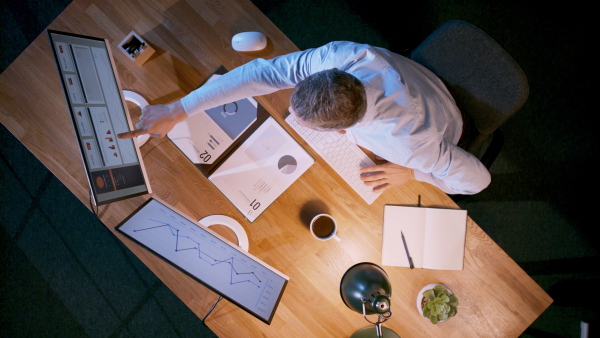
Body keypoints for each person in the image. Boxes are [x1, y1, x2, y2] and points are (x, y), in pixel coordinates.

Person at [118, 41, 491, 195]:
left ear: (346, 130)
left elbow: (477, 181)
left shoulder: (412, 146)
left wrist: (413, 173)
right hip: (415, 81)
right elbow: (262, 74)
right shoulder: (340, 56)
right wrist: (177, 109)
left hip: (445, 122)